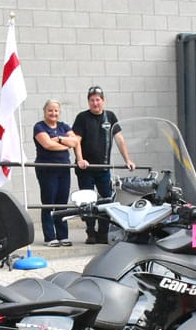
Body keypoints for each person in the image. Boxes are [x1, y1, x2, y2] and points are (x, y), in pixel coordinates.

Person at [72, 86, 134, 244]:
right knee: (87, 202)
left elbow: (119, 139)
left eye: (98, 100)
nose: (95, 103)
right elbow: (76, 140)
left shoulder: (110, 117)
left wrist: (127, 159)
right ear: (88, 102)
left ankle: (103, 233)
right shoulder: (82, 117)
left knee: (107, 201)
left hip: (103, 169)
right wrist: (80, 159)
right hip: (86, 169)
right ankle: (91, 232)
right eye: (92, 100)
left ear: (103, 101)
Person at [33, 99, 78, 246]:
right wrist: (66, 145)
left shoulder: (63, 126)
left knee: (62, 203)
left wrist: (58, 139)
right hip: (47, 169)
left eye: (56, 110)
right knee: (48, 202)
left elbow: (75, 142)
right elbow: (47, 145)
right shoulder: (39, 126)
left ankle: (63, 236)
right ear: (45, 111)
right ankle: (50, 237)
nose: (53, 113)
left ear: (59, 112)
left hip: (64, 168)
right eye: (50, 110)